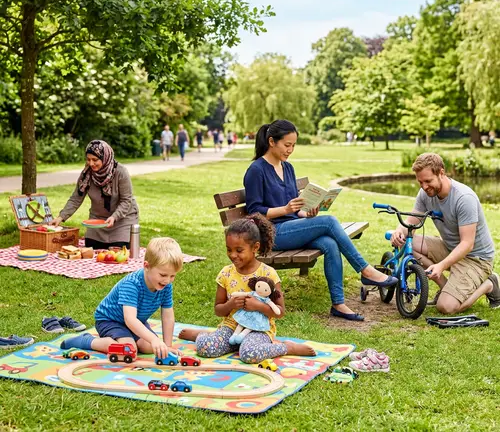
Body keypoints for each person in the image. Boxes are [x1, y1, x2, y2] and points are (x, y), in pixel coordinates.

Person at [243, 120, 397, 322]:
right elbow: (254, 213)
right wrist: (285, 209)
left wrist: (306, 213)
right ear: (271, 141)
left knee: (329, 243)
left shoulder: (288, 168)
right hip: (271, 233)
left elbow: (294, 209)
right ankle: (366, 270)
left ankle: (338, 304)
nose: (290, 150)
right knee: (330, 222)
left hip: (291, 227)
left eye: (293, 145)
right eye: (286, 145)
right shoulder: (256, 170)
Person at [178, 214, 316, 362]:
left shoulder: (268, 274)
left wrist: (258, 306)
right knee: (206, 347)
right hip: (231, 326)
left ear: (255, 247)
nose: (232, 255)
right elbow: (218, 310)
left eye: (239, 250)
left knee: (249, 354)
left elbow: (280, 312)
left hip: (259, 329)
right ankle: (203, 335)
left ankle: (288, 347)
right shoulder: (226, 273)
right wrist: (231, 304)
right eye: (229, 249)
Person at [390, 153, 499, 313]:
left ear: (441, 173)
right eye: (420, 182)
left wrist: (441, 265)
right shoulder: (425, 194)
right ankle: (445, 287)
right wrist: (399, 230)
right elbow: (412, 220)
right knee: (408, 243)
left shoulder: (464, 198)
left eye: (428, 181)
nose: (424, 186)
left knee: (446, 307)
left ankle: (490, 284)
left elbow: (467, 244)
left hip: (476, 259)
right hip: (450, 247)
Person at [60, 238, 184, 358]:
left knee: (151, 347)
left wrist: (167, 346)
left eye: (172, 276)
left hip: (136, 322)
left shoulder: (166, 285)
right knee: (128, 350)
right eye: (163, 275)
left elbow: (167, 315)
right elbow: (129, 319)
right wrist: (153, 339)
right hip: (110, 321)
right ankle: (87, 340)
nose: (167, 280)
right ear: (146, 266)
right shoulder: (132, 284)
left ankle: (130, 339)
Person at [52, 140, 139, 250]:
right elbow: (76, 198)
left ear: (105, 158)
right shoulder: (86, 174)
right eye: (88, 159)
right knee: (91, 249)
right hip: (97, 221)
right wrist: (61, 217)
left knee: (118, 249)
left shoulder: (120, 172)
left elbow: (126, 200)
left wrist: (114, 217)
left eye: (95, 160)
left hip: (122, 220)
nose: (91, 164)